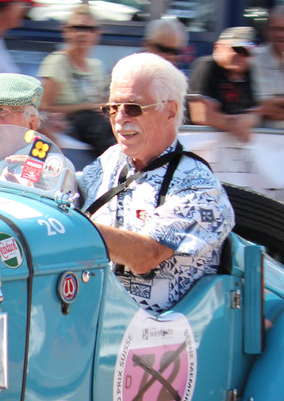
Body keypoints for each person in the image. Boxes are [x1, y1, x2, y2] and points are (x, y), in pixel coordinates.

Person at [77, 52, 234, 314]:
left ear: (169, 110)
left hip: (160, 335)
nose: (119, 118)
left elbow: (145, 256)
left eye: (133, 108)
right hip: (94, 316)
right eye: (113, 108)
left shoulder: (198, 184)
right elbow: (68, 195)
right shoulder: (110, 160)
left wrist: (71, 228)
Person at [0, 72, 73, 192]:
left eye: (1, 110)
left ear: (31, 124)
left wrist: (36, 194)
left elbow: (54, 209)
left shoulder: (45, 166)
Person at [38, 4, 114, 154]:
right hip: (69, 125)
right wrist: (84, 106)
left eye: (89, 29)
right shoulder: (56, 62)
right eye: (76, 28)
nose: (82, 34)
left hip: (95, 128)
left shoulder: (96, 67)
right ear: (66, 31)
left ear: (97, 34)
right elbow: (43, 107)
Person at [187, 26, 261, 142]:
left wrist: (244, 120)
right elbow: (202, 116)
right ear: (217, 47)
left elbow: (256, 115)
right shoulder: (206, 66)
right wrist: (238, 124)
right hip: (196, 145)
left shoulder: (249, 72)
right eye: (237, 49)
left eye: (248, 52)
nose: (242, 56)